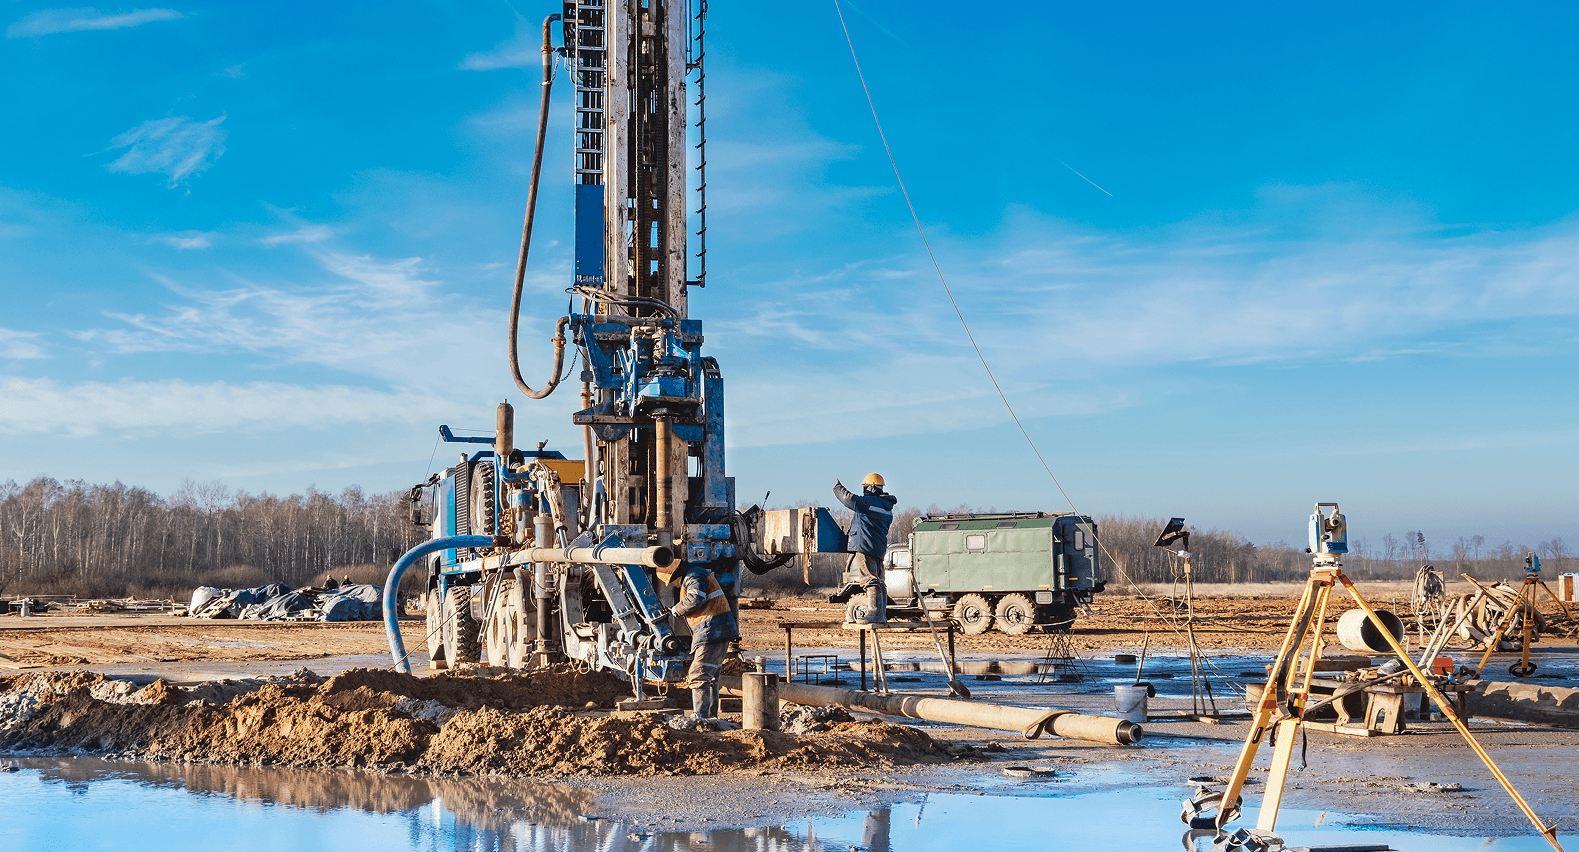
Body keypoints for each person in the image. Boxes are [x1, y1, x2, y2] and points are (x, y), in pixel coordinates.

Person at [660, 561, 739, 719]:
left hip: (712, 630)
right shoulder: (697, 573)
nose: (674, 585)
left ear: (676, 574)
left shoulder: (694, 575)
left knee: (698, 675)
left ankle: (701, 717)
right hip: (718, 629)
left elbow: (696, 598)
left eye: (672, 581)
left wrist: (676, 610)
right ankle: (710, 717)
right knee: (711, 677)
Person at [834, 473, 897, 624]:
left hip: (865, 546)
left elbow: (848, 498)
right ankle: (880, 615)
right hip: (878, 549)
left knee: (870, 581)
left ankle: (874, 614)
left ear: (871, 487)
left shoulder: (867, 503)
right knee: (879, 582)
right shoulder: (887, 507)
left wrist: (838, 488)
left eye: (865, 487)